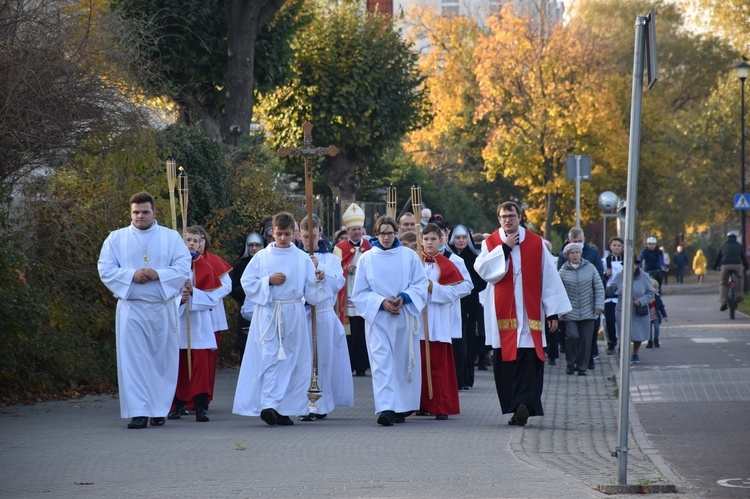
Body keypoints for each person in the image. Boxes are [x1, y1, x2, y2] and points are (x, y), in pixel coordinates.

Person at [97, 191, 191, 429]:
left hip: (162, 308)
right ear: (131, 213)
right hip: (132, 309)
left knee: (162, 361)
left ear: (154, 212)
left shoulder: (170, 238)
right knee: (134, 361)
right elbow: (105, 269)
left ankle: (159, 409)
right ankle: (139, 412)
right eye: (136, 212)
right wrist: (131, 275)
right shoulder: (116, 238)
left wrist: (158, 274)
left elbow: (183, 266)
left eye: (145, 212)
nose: (140, 216)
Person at [474, 201, 571, 427]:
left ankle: (525, 405)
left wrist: (552, 313)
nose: (508, 220)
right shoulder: (491, 243)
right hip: (503, 316)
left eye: (511, 215)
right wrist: (504, 248)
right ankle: (517, 406)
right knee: (506, 362)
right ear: (498, 219)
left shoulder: (536, 243)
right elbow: (484, 271)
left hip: (530, 315)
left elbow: (549, 278)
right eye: (503, 216)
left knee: (529, 361)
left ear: (520, 217)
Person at [232, 212, 323, 426]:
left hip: (293, 313)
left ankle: (283, 408)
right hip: (269, 313)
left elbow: (311, 293)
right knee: (270, 358)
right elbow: (248, 283)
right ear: (271, 233)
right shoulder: (262, 257)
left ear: (295, 234)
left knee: (291, 361)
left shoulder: (302, 258)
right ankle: (268, 404)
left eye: (287, 234)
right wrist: (268, 281)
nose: (283, 238)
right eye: (279, 234)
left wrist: (317, 279)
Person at [352, 215, 429, 426]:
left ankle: (402, 406)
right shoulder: (367, 258)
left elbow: (420, 285)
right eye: (382, 233)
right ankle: (386, 407)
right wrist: (381, 302)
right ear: (375, 234)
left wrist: (403, 298)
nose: (386, 237)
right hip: (379, 319)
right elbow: (359, 292)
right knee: (381, 362)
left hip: (404, 317)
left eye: (390, 233)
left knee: (403, 363)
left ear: (396, 233)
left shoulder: (409, 256)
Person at [169, 227, 230, 423]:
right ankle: (177, 404)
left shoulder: (206, 266)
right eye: (188, 239)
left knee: (201, 367)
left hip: (200, 325)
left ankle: (200, 406)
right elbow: (164, 294)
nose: (192, 243)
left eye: (195, 240)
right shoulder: (172, 266)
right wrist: (180, 298)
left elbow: (213, 298)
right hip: (180, 322)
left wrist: (194, 293)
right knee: (179, 366)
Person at [298, 215, 354, 421]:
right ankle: (301, 403)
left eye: (312, 237)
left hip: (322, 314)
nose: (308, 241)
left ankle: (319, 404)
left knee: (321, 361)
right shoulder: (294, 256)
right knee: (302, 361)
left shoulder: (330, 258)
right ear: (299, 235)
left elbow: (338, 283)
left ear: (319, 235)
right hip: (301, 316)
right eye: (305, 237)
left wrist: (322, 273)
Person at [418, 223, 471, 420]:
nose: (429, 243)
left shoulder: (452, 262)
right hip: (418, 318)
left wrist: (435, 289)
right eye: (426, 239)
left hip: (439, 316)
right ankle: (421, 403)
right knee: (420, 363)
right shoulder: (415, 261)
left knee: (439, 364)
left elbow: (465, 287)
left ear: (441, 241)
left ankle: (441, 405)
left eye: (433, 239)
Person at [195, 226, 233, 411]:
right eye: (193, 240)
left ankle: (205, 397)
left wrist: (208, 295)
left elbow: (227, 285)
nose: (197, 244)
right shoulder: (180, 261)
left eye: (201, 240)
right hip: (188, 315)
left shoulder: (215, 261)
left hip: (212, 316)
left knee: (208, 360)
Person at [556, 228, 604, 370]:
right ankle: (570, 363)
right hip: (570, 311)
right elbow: (558, 291)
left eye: (577, 252)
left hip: (589, 309)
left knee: (586, 340)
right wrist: (559, 311)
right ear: (567, 255)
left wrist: (599, 305)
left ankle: (582, 367)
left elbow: (599, 287)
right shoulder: (563, 271)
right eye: (572, 253)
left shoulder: (590, 268)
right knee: (572, 337)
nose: (575, 255)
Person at [332, 203, 371, 377]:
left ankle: (362, 366)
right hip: (346, 294)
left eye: (359, 229)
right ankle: (348, 365)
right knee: (349, 332)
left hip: (363, 294)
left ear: (363, 230)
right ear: (347, 231)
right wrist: (347, 269)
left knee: (362, 331)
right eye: (353, 229)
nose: (356, 232)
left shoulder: (371, 248)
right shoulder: (339, 249)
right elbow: (334, 272)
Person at [449, 224, 486, 387]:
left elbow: (481, 282)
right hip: (452, 303)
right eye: (457, 238)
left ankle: (466, 378)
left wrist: (468, 290)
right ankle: (455, 377)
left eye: (464, 238)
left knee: (468, 341)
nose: (461, 241)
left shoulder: (474, 258)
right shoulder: (448, 257)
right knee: (455, 341)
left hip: (470, 305)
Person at [607, 258, 654, 364]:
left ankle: (635, 353)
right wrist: (605, 279)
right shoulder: (620, 275)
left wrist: (641, 301)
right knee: (623, 332)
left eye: (632, 265)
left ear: (636, 265)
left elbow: (651, 293)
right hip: (622, 308)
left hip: (638, 309)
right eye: (627, 265)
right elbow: (611, 290)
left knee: (638, 334)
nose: (630, 267)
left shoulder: (644, 276)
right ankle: (624, 353)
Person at [230, 233, 264, 358]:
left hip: (264, 308)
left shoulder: (266, 263)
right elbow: (233, 289)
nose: (254, 248)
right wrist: (249, 288)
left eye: (257, 245)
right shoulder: (240, 264)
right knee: (246, 347)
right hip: (246, 309)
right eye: (251, 245)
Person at [713, 231, 748, 310]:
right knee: (739, 279)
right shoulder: (739, 246)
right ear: (735, 237)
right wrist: (746, 267)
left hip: (725, 265)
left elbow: (718, 257)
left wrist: (714, 267)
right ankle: (739, 297)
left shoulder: (723, 245)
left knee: (723, 283)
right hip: (737, 265)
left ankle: (723, 300)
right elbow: (743, 257)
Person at [603, 237, 624, 355]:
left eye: (619, 245)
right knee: (610, 320)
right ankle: (612, 341)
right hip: (609, 296)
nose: (616, 247)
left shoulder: (627, 260)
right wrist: (606, 275)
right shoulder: (605, 260)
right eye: (614, 245)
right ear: (610, 247)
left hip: (622, 295)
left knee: (622, 321)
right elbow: (600, 278)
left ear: (622, 247)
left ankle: (623, 343)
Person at [646, 278, 667, 348]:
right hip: (647, 316)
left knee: (656, 328)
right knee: (648, 330)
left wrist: (664, 315)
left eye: (654, 288)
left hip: (655, 316)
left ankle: (656, 340)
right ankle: (649, 341)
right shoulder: (645, 297)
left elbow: (661, 307)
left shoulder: (657, 297)